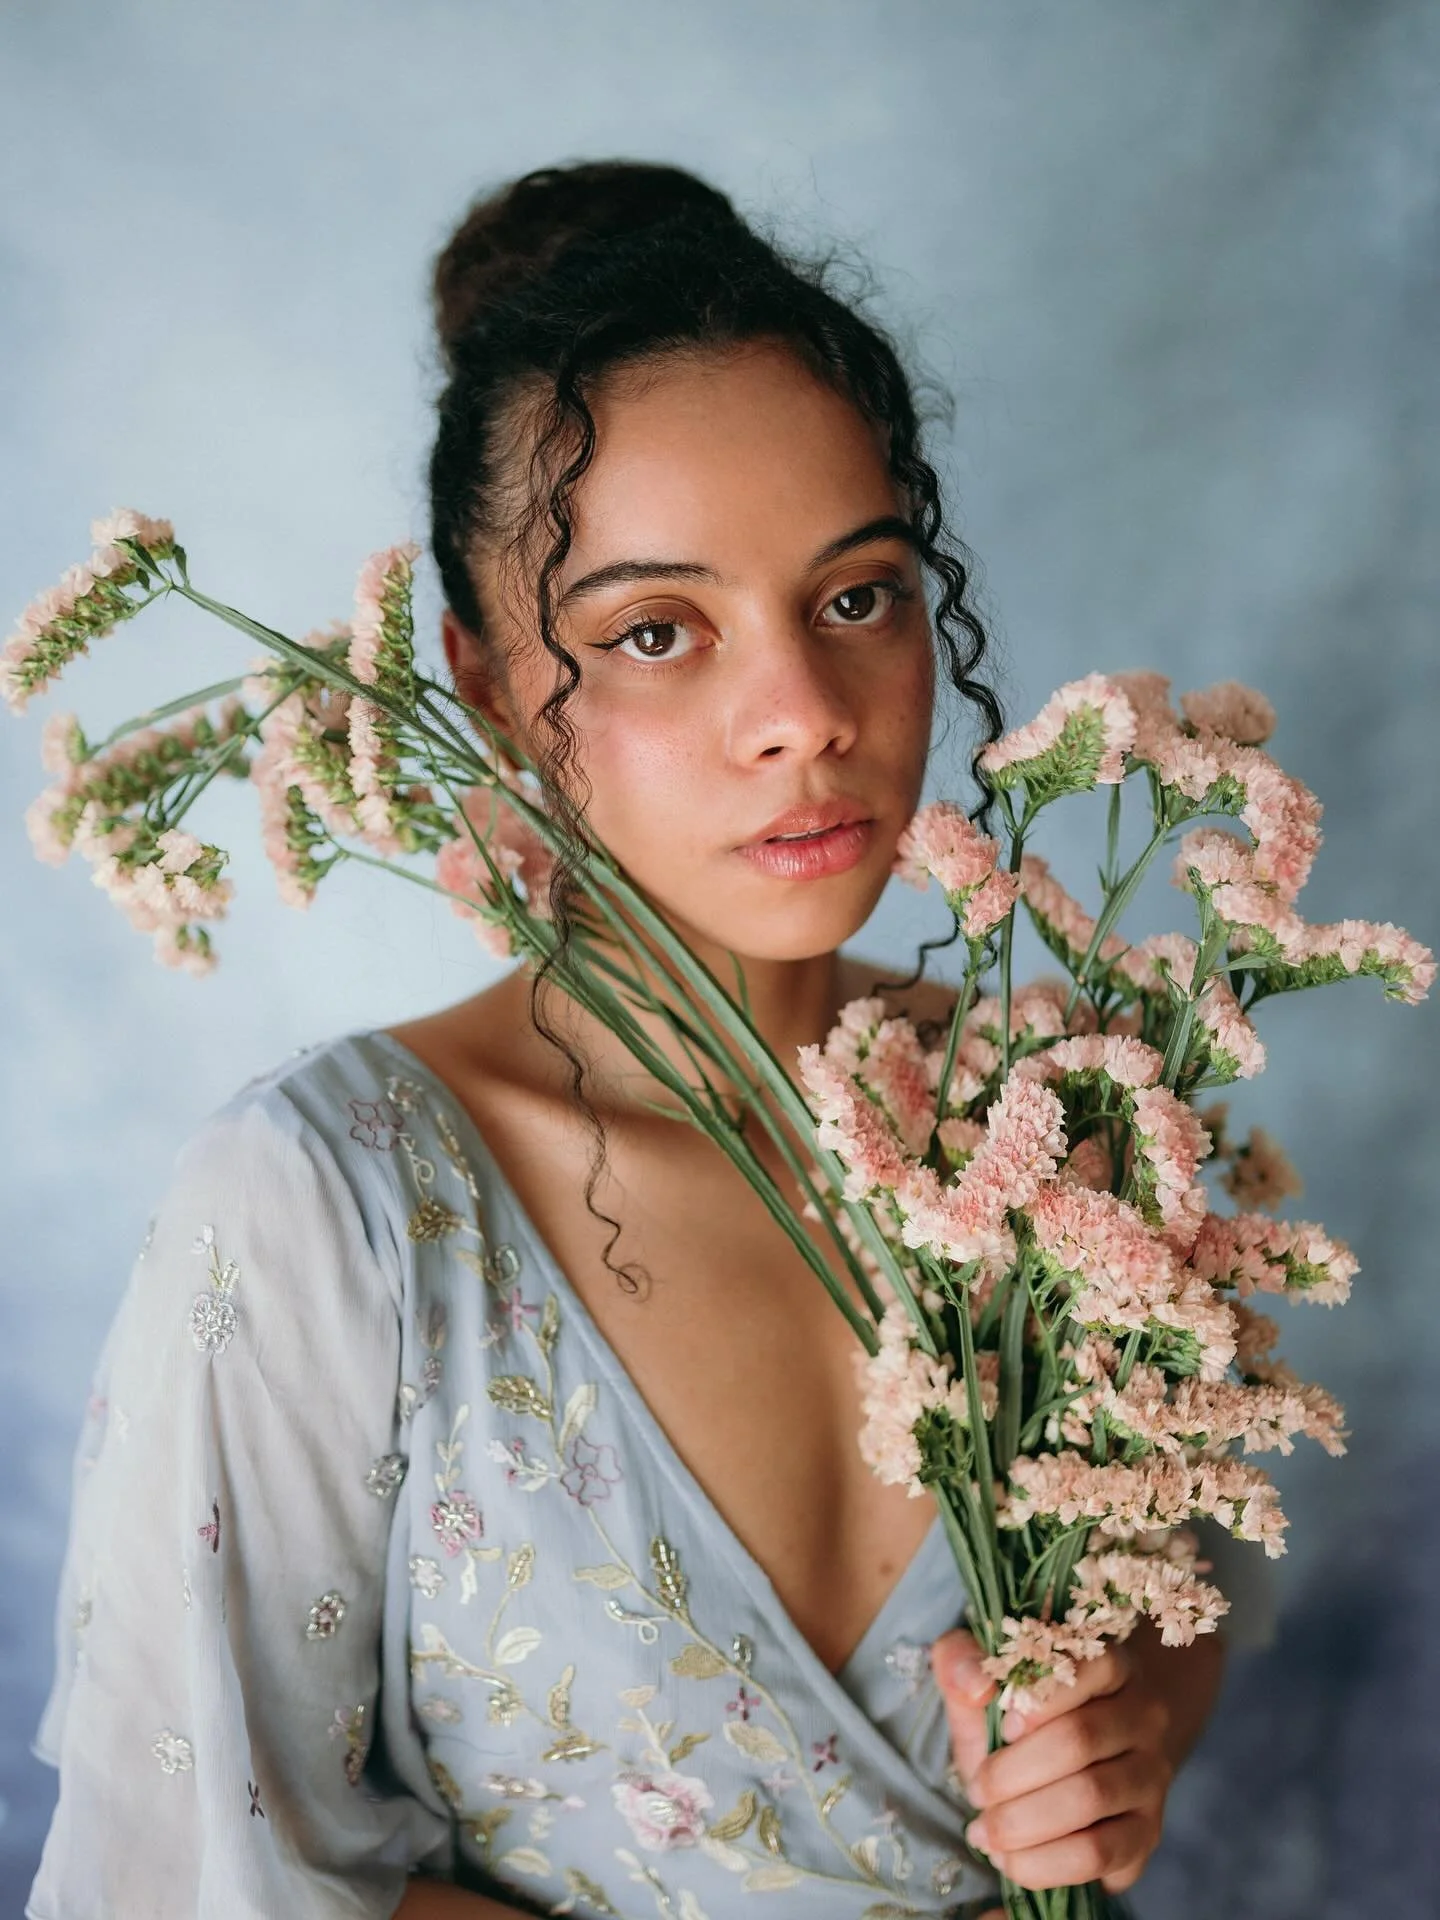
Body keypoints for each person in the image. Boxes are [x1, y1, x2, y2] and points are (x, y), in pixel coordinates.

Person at [27, 160, 1269, 1920]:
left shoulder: (1064, 1124)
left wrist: (1133, 1726)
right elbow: (194, 1884)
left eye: (858, 596)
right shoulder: (332, 1211)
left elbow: (1191, 1586)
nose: (804, 720)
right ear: (481, 686)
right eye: (658, 634)